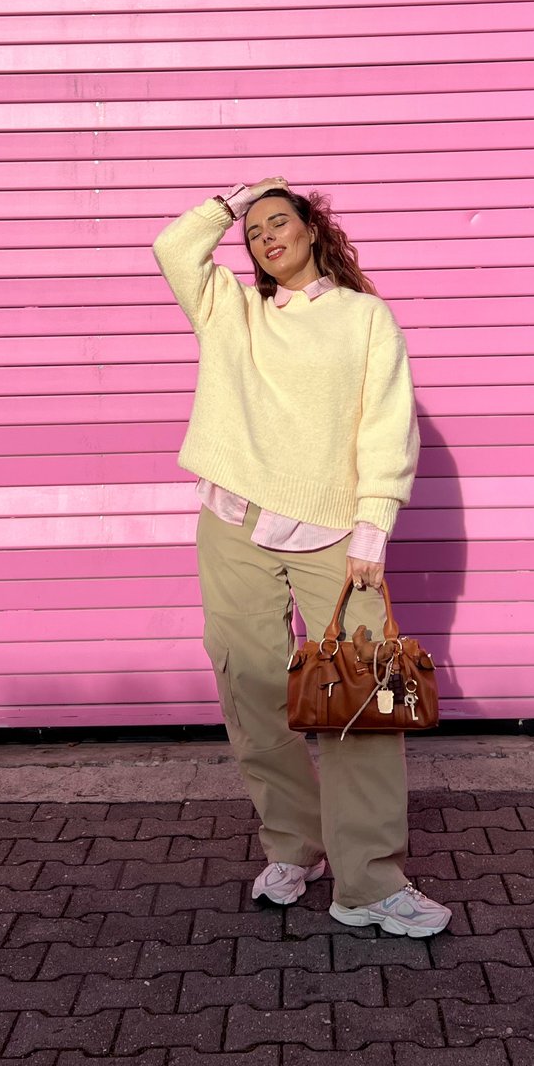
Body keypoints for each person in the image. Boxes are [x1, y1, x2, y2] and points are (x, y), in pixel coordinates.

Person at [152, 177, 451, 937]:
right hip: (231, 525)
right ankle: (296, 844)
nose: (265, 237)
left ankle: (370, 882)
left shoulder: (363, 319)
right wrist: (229, 203)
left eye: (279, 222)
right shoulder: (232, 310)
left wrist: (374, 526)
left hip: (333, 535)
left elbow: (386, 423)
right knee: (251, 694)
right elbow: (170, 249)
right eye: (254, 232)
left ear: (313, 230)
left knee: (364, 704)